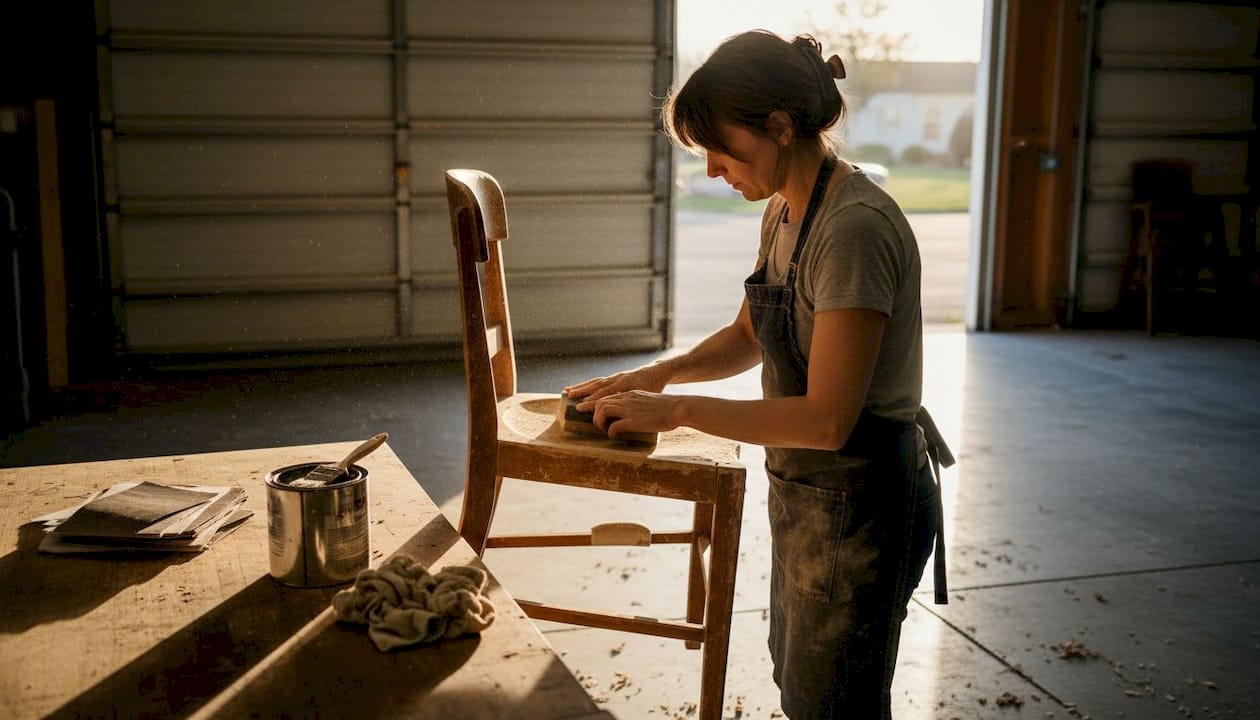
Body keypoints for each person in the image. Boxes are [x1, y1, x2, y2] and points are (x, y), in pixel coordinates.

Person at [564, 29, 952, 719]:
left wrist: (678, 413)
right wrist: (659, 376)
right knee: (801, 683)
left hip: (863, 501)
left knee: (837, 702)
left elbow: (827, 420)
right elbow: (751, 334)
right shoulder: (783, 209)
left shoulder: (853, 228)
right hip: (809, 492)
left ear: (779, 127)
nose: (713, 170)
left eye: (721, 149)